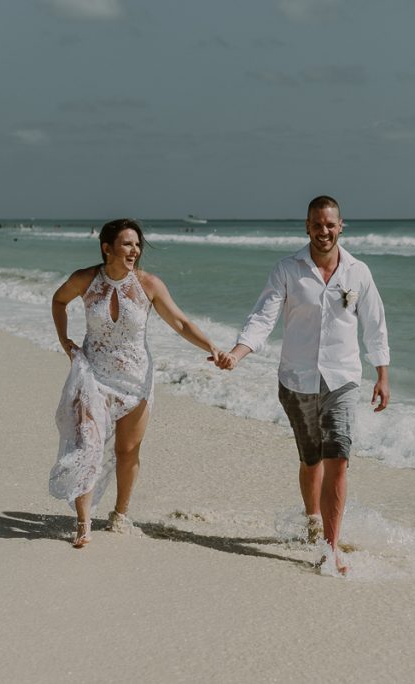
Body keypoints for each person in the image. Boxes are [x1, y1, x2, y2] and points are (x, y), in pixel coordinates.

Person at [217, 195, 390, 574]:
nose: (323, 230)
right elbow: (263, 318)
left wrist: (381, 373)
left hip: (343, 379)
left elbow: (374, 324)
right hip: (296, 379)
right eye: (317, 224)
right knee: (311, 459)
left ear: (341, 226)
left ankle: (331, 548)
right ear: (307, 226)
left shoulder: (358, 272)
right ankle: (313, 518)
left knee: (338, 459)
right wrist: (237, 352)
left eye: (330, 224)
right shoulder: (287, 270)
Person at [50, 218, 223, 548]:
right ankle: (83, 523)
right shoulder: (85, 279)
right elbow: (59, 301)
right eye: (127, 244)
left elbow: (181, 322)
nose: (135, 250)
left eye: (137, 244)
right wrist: (64, 340)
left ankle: (120, 514)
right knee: (88, 445)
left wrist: (211, 347)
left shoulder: (149, 284)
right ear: (107, 248)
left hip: (135, 379)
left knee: (127, 451)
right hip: (93, 377)